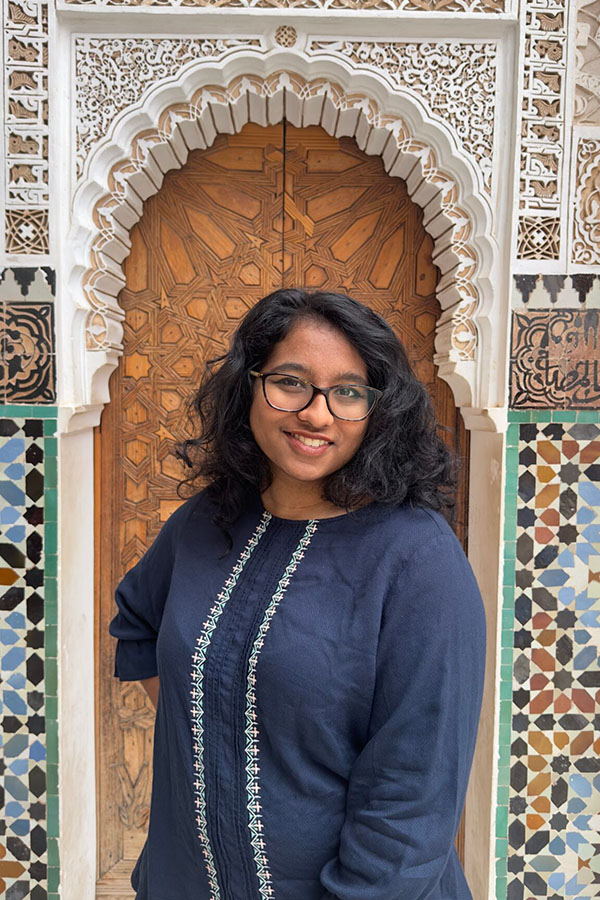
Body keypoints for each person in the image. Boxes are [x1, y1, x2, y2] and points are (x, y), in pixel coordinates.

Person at [109, 288, 486, 900]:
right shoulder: (206, 523)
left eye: (349, 392)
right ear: (249, 386)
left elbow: (411, 798)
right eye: (290, 382)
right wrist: (217, 719)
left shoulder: (419, 560)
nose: (316, 413)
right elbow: (138, 624)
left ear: (377, 410)